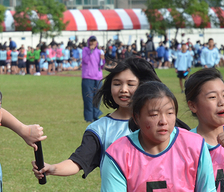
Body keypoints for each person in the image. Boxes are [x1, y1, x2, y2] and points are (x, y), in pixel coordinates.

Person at [32, 57, 165, 181]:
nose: (123, 89)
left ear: (144, 86)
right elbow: (78, 160)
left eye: (130, 84)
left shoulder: (162, 122)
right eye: (117, 84)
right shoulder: (99, 128)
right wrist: (52, 168)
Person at [82, 35, 105, 122]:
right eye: (91, 41)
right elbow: (85, 60)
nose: (92, 43)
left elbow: (101, 65)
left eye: (94, 41)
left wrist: (103, 59)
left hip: (98, 77)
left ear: (96, 42)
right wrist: (90, 52)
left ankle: (96, 116)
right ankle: (88, 118)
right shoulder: (85, 50)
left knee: (97, 98)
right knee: (88, 98)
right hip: (87, 77)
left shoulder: (99, 51)